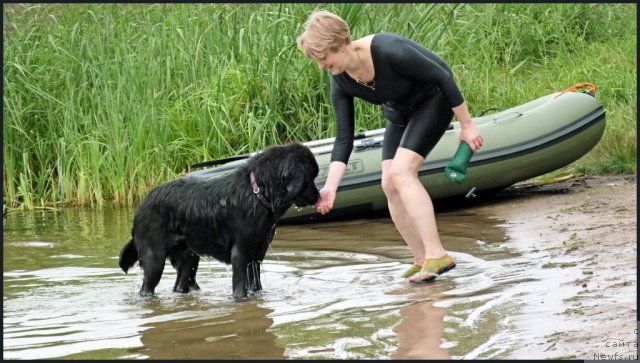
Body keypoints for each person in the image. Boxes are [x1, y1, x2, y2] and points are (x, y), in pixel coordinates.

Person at [296, 10, 483, 283]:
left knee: (402, 172)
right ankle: (421, 259)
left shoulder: (388, 50)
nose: (322, 66)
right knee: (389, 184)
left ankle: (437, 253)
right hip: (398, 114)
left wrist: (467, 125)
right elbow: (344, 138)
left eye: (323, 58)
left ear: (340, 44)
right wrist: (330, 188)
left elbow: (443, 75)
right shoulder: (340, 80)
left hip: (433, 102)